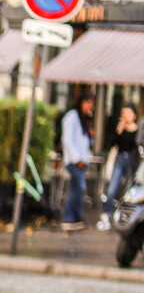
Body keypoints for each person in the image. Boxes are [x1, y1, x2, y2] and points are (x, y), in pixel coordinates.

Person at [98, 105, 138, 231]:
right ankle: (106, 214)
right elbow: (112, 143)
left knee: (129, 190)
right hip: (120, 159)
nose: (125, 115)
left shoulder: (138, 131)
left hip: (131, 161)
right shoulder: (120, 128)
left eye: (128, 113)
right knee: (112, 188)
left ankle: (125, 216)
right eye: (123, 113)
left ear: (134, 115)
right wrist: (119, 130)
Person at [60, 94, 94, 231]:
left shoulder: (82, 119)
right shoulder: (72, 117)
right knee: (80, 188)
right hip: (74, 161)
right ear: (82, 103)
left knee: (75, 189)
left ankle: (75, 217)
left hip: (81, 161)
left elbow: (83, 142)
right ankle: (70, 216)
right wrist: (77, 159)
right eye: (89, 103)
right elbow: (67, 140)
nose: (91, 106)